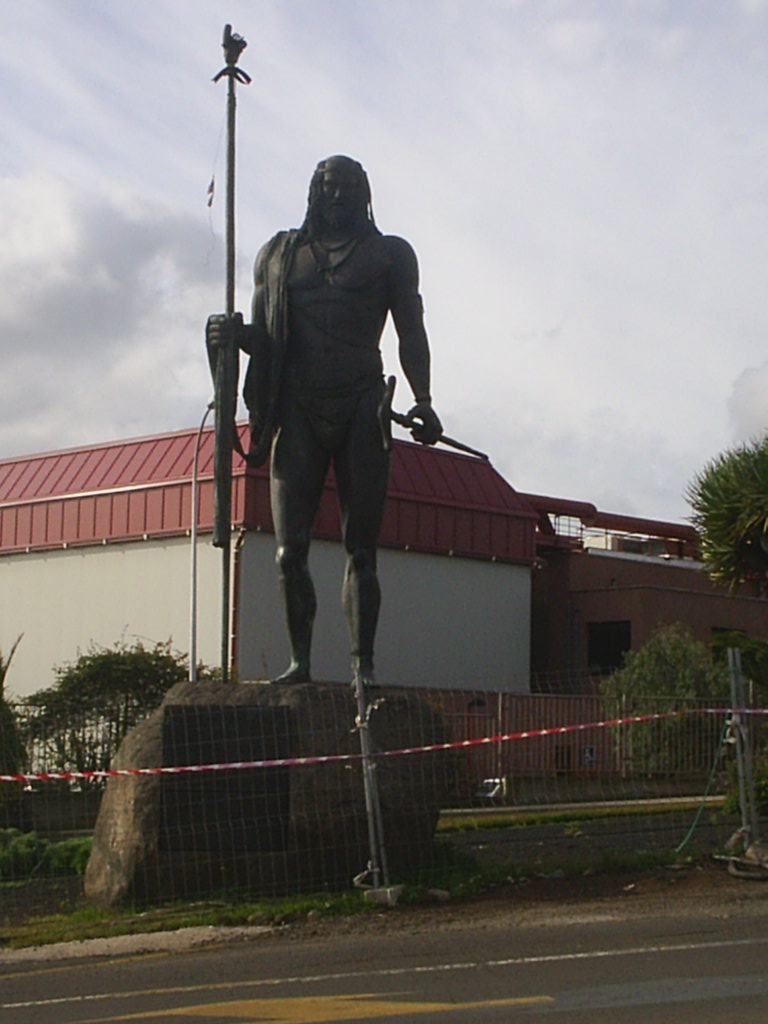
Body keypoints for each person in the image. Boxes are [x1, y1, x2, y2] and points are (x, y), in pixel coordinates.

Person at [208, 155, 442, 688]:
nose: (337, 196)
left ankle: (363, 666)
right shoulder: (279, 256)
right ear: (314, 193)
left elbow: (410, 329)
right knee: (290, 552)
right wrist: (232, 337)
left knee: (362, 548)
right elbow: (267, 338)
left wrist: (424, 398)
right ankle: (301, 664)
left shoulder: (389, 255)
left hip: (362, 405)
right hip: (299, 409)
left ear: (364, 194)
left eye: (348, 187)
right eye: (328, 187)